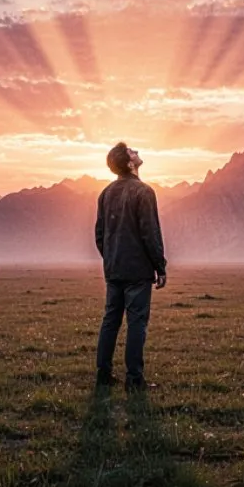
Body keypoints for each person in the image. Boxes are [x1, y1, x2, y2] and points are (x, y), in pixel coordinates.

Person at [94, 142, 167, 392]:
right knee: (137, 323)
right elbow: (150, 233)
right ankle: (134, 380)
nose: (136, 152)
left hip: (113, 269)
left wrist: (111, 257)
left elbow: (100, 235)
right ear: (129, 163)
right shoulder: (144, 192)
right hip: (137, 271)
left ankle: (103, 374)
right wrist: (160, 266)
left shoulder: (105, 194)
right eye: (131, 152)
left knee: (110, 320)